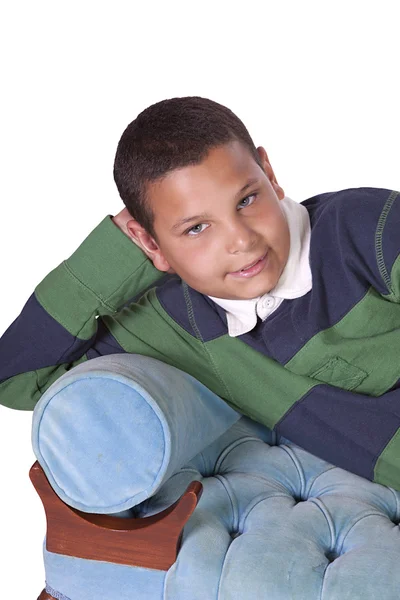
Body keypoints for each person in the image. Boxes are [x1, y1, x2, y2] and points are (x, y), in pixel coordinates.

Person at [1, 96, 399, 490]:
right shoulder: (177, 321)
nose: (241, 240)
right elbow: (17, 379)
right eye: (196, 228)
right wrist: (113, 256)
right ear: (150, 242)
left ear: (270, 174)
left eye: (246, 200)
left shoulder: (368, 228)